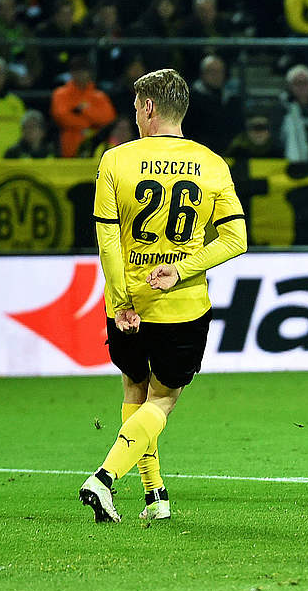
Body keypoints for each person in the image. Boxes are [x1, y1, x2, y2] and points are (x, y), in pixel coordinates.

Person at [78, 68, 248, 524]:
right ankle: (104, 479)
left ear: (148, 108)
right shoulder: (212, 164)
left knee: (135, 388)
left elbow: (108, 242)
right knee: (163, 399)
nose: (135, 115)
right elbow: (236, 239)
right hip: (184, 305)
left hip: (130, 301)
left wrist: (121, 302)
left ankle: (155, 496)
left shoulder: (115, 161)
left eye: (136, 107)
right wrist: (181, 269)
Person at [51, 56, 116, 157]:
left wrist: (84, 110)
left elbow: (108, 118)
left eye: (83, 71)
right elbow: (61, 117)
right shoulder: (61, 94)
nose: (80, 75)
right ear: (71, 73)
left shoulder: (99, 95)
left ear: (90, 73)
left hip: (96, 146)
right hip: (70, 146)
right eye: (77, 71)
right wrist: (89, 125)